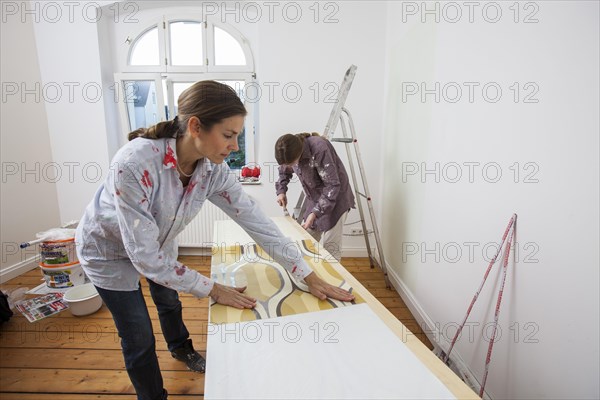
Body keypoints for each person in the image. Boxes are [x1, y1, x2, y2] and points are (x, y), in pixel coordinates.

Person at [75, 81, 354, 400]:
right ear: (196, 126)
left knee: (168, 301)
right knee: (138, 336)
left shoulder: (212, 171)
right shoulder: (133, 163)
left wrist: (305, 273)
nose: (235, 146)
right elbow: (146, 260)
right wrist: (213, 288)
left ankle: (181, 349)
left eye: (237, 135)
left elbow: (257, 221)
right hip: (107, 252)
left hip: (156, 245)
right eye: (229, 134)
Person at [274, 132, 355, 262]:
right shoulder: (290, 152)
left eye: (291, 163)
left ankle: (332, 280)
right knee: (305, 243)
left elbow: (333, 185)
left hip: (336, 199)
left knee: (330, 252)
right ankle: (310, 279)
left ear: (299, 153)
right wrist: (281, 191)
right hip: (315, 199)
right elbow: (284, 170)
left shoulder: (319, 148)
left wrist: (315, 213)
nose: (289, 167)